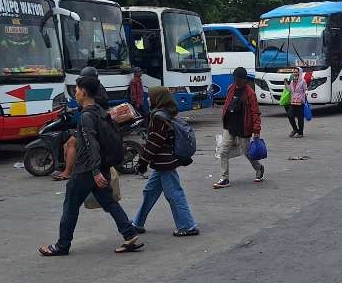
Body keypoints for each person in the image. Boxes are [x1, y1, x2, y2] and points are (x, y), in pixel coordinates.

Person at [39, 76, 142, 256]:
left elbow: (90, 144)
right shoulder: (100, 111)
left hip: (87, 169)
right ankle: (130, 234)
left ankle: (62, 246)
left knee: (70, 207)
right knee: (109, 202)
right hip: (100, 167)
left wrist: (94, 171)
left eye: (77, 89)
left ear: (84, 92)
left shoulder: (87, 116)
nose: (76, 93)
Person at [132, 86, 200, 236]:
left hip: (165, 163)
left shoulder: (158, 117)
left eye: (150, 97)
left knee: (174, 194)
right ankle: (137, 223)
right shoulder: (166, 114)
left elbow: (154, 143)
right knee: (149, 192)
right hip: (162, 163)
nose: (148, 99)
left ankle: (187, 226)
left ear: (158, 99)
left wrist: (142, 161)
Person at [213, 67, 265, 189]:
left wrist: (256, 130)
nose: (236, 81)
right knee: (223, 151)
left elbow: (255, 112)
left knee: (247, 152)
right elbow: (227, 103)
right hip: (229, 125)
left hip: (243, 126)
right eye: (235, 78)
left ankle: (259, 168)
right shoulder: (231, 88)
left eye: (238, 79)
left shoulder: (250, 93)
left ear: (244, 80)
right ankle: (224, 178)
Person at [285, 67, 310, 138]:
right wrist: (286, 84)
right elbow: (290, 90)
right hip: (293, 101)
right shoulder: (292, 81)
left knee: (300, 117)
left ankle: (300, 133)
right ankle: (295, 129)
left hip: (300, 101)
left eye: (296, 72)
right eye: (294, 72)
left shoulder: (303, 81)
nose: (295, 73)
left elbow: (305, 89)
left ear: (300, 73)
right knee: (290, 115)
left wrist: (305, 95)